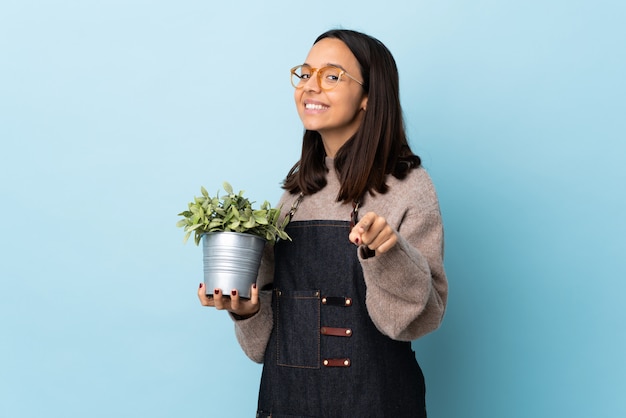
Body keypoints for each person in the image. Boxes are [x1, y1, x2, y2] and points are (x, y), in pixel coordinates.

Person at [198, 29, 448, 417]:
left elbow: (416, 321)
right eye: (305, 74)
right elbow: (261, 346)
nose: (311, 87)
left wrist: (387, 251)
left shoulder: (407, 187)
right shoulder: (294, 195)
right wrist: (244, 310)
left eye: (332, 76)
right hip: (286, 404)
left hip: (376, 403)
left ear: (368, 97)